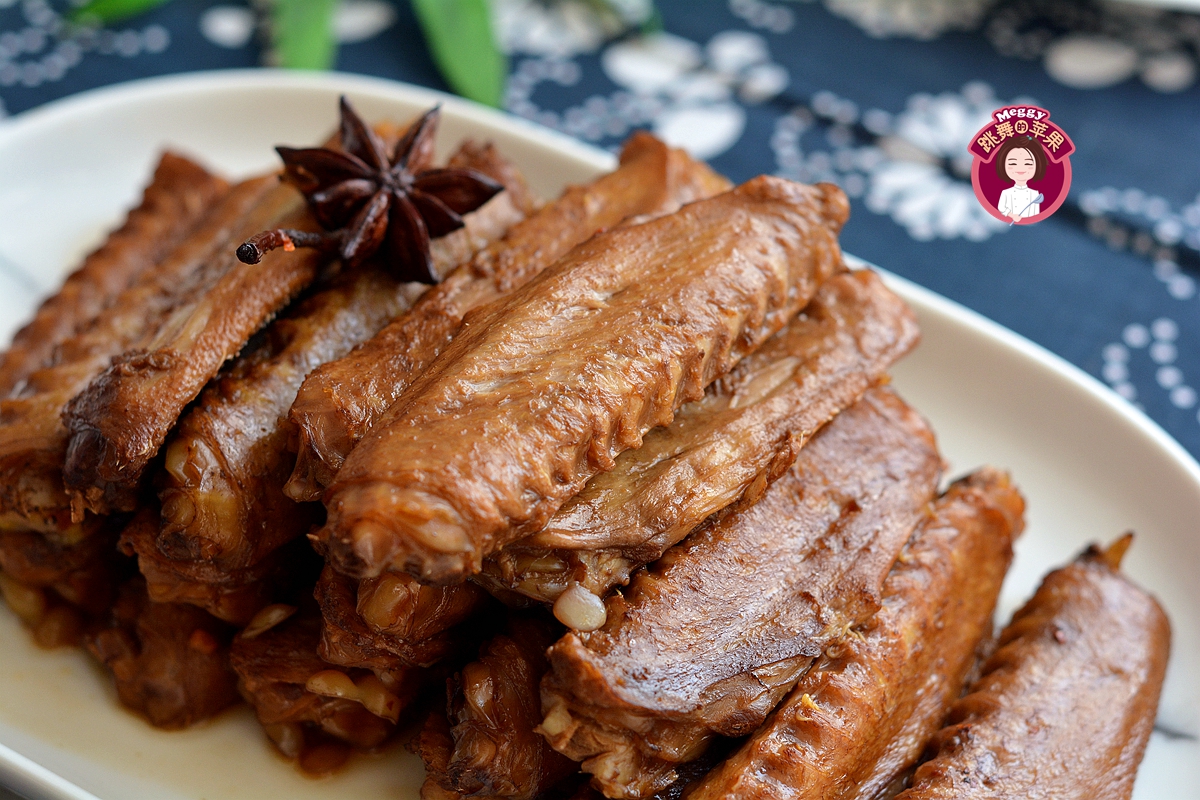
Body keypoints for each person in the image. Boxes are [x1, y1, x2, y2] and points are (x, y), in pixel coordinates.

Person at [995, 135, 1048, 222]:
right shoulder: (1005, 192)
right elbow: (1002, 208)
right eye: (1013, 163)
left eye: (1027, 164)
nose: (1020, 168)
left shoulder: (1035, 194)